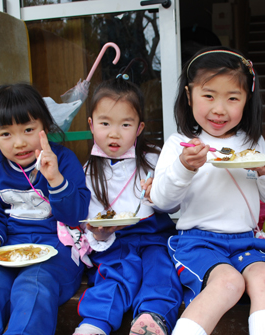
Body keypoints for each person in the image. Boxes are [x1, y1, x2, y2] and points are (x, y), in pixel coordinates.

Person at [151, 46, 265, 335]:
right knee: (229, 282)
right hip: (198, 242)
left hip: (246, 242)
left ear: (247, 99)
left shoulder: (254, 142)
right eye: (209, 95)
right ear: (189, 96)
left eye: (232, 98)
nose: (219, 109)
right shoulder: (180, 145)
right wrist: (184, 168)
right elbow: (162, 202)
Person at [0, 83, 90, 335]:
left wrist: (56, 179)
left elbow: (74, 215)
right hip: (10, 249)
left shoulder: (63, 161)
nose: (19, 142)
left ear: (45, 127)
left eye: (28, 129)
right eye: (6, 134)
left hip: (58, 250)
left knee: (33, 286)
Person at [73, 76, 182, 335]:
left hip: (155, 235)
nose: (114, 133)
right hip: (116, 240)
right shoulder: (87, 171)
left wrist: (158, 194)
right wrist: (99, 233)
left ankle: (152, 317)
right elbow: (93, 223)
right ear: (91, 124)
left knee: (161, 269)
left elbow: (175, 204)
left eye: (125, 124)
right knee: (116, 275)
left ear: (139, 127)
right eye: (105, 123)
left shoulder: (156, 158)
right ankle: (94, 325)